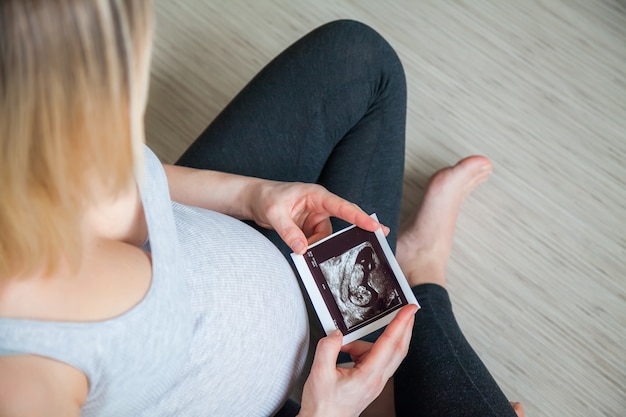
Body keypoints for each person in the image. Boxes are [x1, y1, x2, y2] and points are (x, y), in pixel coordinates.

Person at [0, 1, 523, 416]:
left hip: (233, 234)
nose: (126, 151)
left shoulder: (43, 145)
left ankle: (401, 279)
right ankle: (421, 269)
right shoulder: (27, 381)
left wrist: (249, 196)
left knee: (362, 61)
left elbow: (143, 176)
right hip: (279, 396)